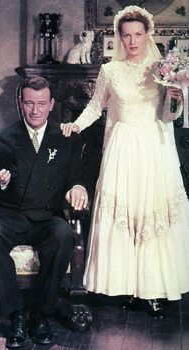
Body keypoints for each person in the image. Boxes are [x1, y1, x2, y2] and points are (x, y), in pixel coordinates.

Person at [61, 5, 189, 319]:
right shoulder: (110, 70)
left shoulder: (163, 68)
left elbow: (169, 116)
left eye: (138, 34)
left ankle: (155, 290)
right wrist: (76, 124)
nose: (132, 41)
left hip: (153, 148)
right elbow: (95, 107)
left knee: (149, 212)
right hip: (121, 148)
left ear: (148, 35)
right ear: (119, 36)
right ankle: (125, 287)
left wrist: (176, 96)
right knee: (124, 213)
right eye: (126, 35)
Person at [0, 76, 88, 348]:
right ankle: (17, 315)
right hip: (9, 215)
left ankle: (41, 314)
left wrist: (79, 187)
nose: (35, 110)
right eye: (29, 103)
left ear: (51, 105)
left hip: (47, 216)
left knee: (63, 234)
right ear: (20, 104)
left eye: (41, 103)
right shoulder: (0, 138)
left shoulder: (66, 138)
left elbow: (78, 176)